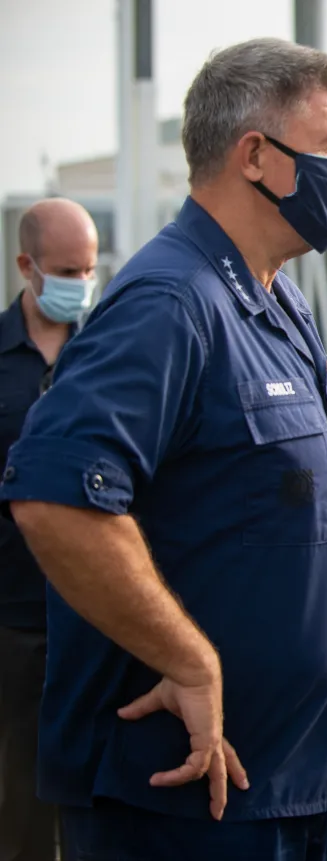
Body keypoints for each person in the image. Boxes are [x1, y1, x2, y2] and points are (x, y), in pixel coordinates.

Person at [0, 38, 327, 861]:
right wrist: (188, 658)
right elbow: (57, 496)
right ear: (255, 157)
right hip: (177, 798)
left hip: (277, 782)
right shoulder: (173, 299)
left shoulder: (280, 304)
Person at [0, 198, 98, 861]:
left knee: (89, 776)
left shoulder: (105, 350)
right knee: (20, 785)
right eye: (66, 269)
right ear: (26, 267)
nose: (79, 283)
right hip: (13, 609)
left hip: (95, 607)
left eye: (89, 269)